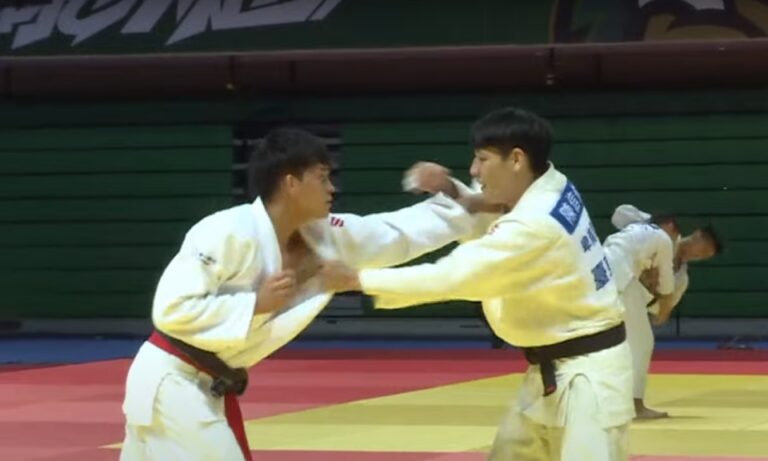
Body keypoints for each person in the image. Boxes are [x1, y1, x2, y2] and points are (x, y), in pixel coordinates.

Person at [119, 127, 480, 461]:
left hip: (206, 385)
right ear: (290, 183)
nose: (331, 188)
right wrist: (255, 304)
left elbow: (395, 232)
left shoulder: (325, 236)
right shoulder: (225, 231)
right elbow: (170, 310)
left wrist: (452, 192)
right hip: (171, 380)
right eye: (322, 178)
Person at [320, 107, 634, 461]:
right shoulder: (553, 183)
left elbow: (453, 276)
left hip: (588, 376)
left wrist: (359, 279)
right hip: (557, 365)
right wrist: (452, 190)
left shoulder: (536, 225)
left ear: (517, 159)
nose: (473, 170)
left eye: (482, 159)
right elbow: (495, 207)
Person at [605, 204, 722, 419]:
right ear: (696, 235)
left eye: (705, 256)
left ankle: (614, 401)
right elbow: (619, 214)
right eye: (703, 248)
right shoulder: (662, 234)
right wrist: (653, 221)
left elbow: (660, 309)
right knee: (642, 343)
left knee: (620, 346)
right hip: (622, 280)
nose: (699, 255)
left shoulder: (681, 278)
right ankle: (634, 405)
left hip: (624, 293)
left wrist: (656, 292)